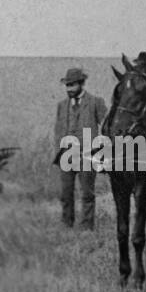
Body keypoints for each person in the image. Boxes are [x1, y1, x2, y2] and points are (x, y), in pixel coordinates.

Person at [54, 67, 107, 229]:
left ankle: (86, 227)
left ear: (82, 84)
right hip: (67, 155)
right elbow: (58, 129)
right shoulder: (62, 105)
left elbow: (106, 125)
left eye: (72, 85)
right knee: (65, 193)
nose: (69, 89)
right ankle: (66, 223)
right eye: (67, 85)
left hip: (87, 156)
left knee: (87, 194)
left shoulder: (96, 102)